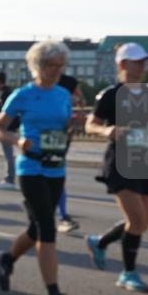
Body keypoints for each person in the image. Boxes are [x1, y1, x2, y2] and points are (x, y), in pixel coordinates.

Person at [0, 41, 75, 295]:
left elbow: (64, 126)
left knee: (37, 228)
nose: (58, 70)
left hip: (56, 167)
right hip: (31, 167)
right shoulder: (23, 95)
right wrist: (18, 140)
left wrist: (70, 128)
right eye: (53, 65)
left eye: (62, 65)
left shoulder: (63, 94)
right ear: (38, 66)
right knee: (47, 228)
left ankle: (6, 258)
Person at [84, 43, 148, 293]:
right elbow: (90, 125)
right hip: (120, 163)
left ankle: (100, 242)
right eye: (136, 61)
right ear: (122, 64)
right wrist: (107, 130)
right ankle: (128, 274)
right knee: (136, 220)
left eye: (144, 61)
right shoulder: (110, 94)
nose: (141, 66)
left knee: (141, 223)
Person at [55, 73, 84, 233]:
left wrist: (79, 114)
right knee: (47, 174)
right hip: (42, 134)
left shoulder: (69, 81)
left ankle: (63, 215)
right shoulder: (37, 85)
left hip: (59, 133)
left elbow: (81, 99)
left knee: (57, 173)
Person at [0, 72, 18, 190]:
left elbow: (5, 112)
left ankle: (9, 179)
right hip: (7, 127)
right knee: (8, 154)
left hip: (6, 128)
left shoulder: (5, 94)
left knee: (9, 154)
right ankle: (9, 178)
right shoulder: (4, 93)